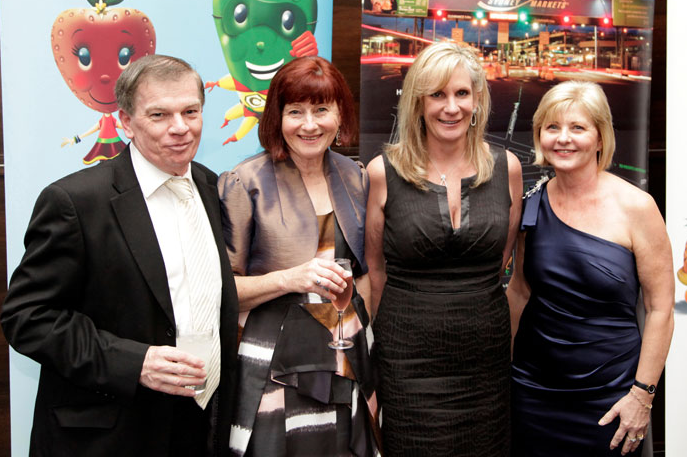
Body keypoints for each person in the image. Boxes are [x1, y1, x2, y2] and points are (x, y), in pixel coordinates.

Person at [1, 54, 239, 456]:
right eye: (159, 115)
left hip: (198, 426)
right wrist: (135, 363)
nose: (180, 127)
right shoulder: (75, 202)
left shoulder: (209, 186)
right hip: (109, 433)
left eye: (190, 111)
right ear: (126, 122)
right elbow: (27, 317)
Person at [365, 41, 523, 456]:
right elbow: (375, 272)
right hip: (407, 360)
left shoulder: (507, 168)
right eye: (437, 94)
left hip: (485, 361)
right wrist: (375, 363)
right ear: (418, 102)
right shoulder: (383, 172)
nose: (451, 107)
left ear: (477, 99)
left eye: (461, 93)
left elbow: (501, 260)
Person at [219, 56, 380, 456]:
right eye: (295, 112)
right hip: (272, 365)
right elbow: (222, 292)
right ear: (277, 117)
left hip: (343, 356)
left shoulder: (356, 176)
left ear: (340, 114)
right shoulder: (244, 182)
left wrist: (367, 358)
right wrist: (290, 279)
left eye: (321, 109)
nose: (309, 125)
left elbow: (362, 277)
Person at [507, 81, 674, 456]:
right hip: (532, 392)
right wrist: (501, 373)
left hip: (611, 399)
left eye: (577, 127)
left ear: (600, 138)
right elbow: (518, 292)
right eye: (552, 127)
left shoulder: (637, 207)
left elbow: (661, 309)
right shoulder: (532, 205)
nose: (563, 138)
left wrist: (642, 396)